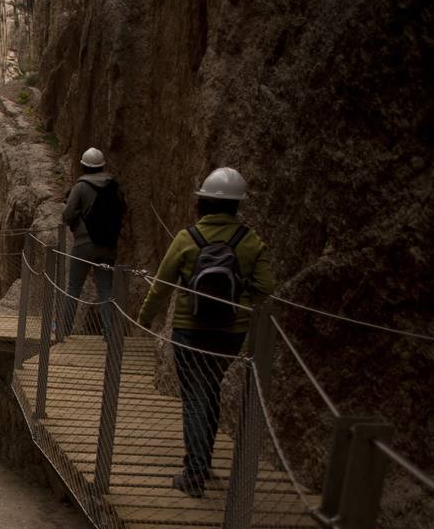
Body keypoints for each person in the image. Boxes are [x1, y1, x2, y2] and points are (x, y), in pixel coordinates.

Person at [137, 167, 274, 498]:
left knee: (195, 397)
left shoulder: (188, 238)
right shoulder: (251, 241)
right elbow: (266, 289)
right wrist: (241, 286)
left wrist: (145, 316)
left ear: (203, 203)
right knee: (209, 390)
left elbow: (163, 284)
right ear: (236, 206)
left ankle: (195, 473)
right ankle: (203, 462)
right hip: (230, 332)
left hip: (190, 329)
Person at [60, 147, 126, 336]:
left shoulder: (80, 186)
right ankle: (108, 332)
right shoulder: (113, 185)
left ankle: (64, 330)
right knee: (106, 289)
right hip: (107, 246)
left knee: (73, 287)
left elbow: (67, 214)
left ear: (83, 166)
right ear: (102, 166)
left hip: (84, 244)